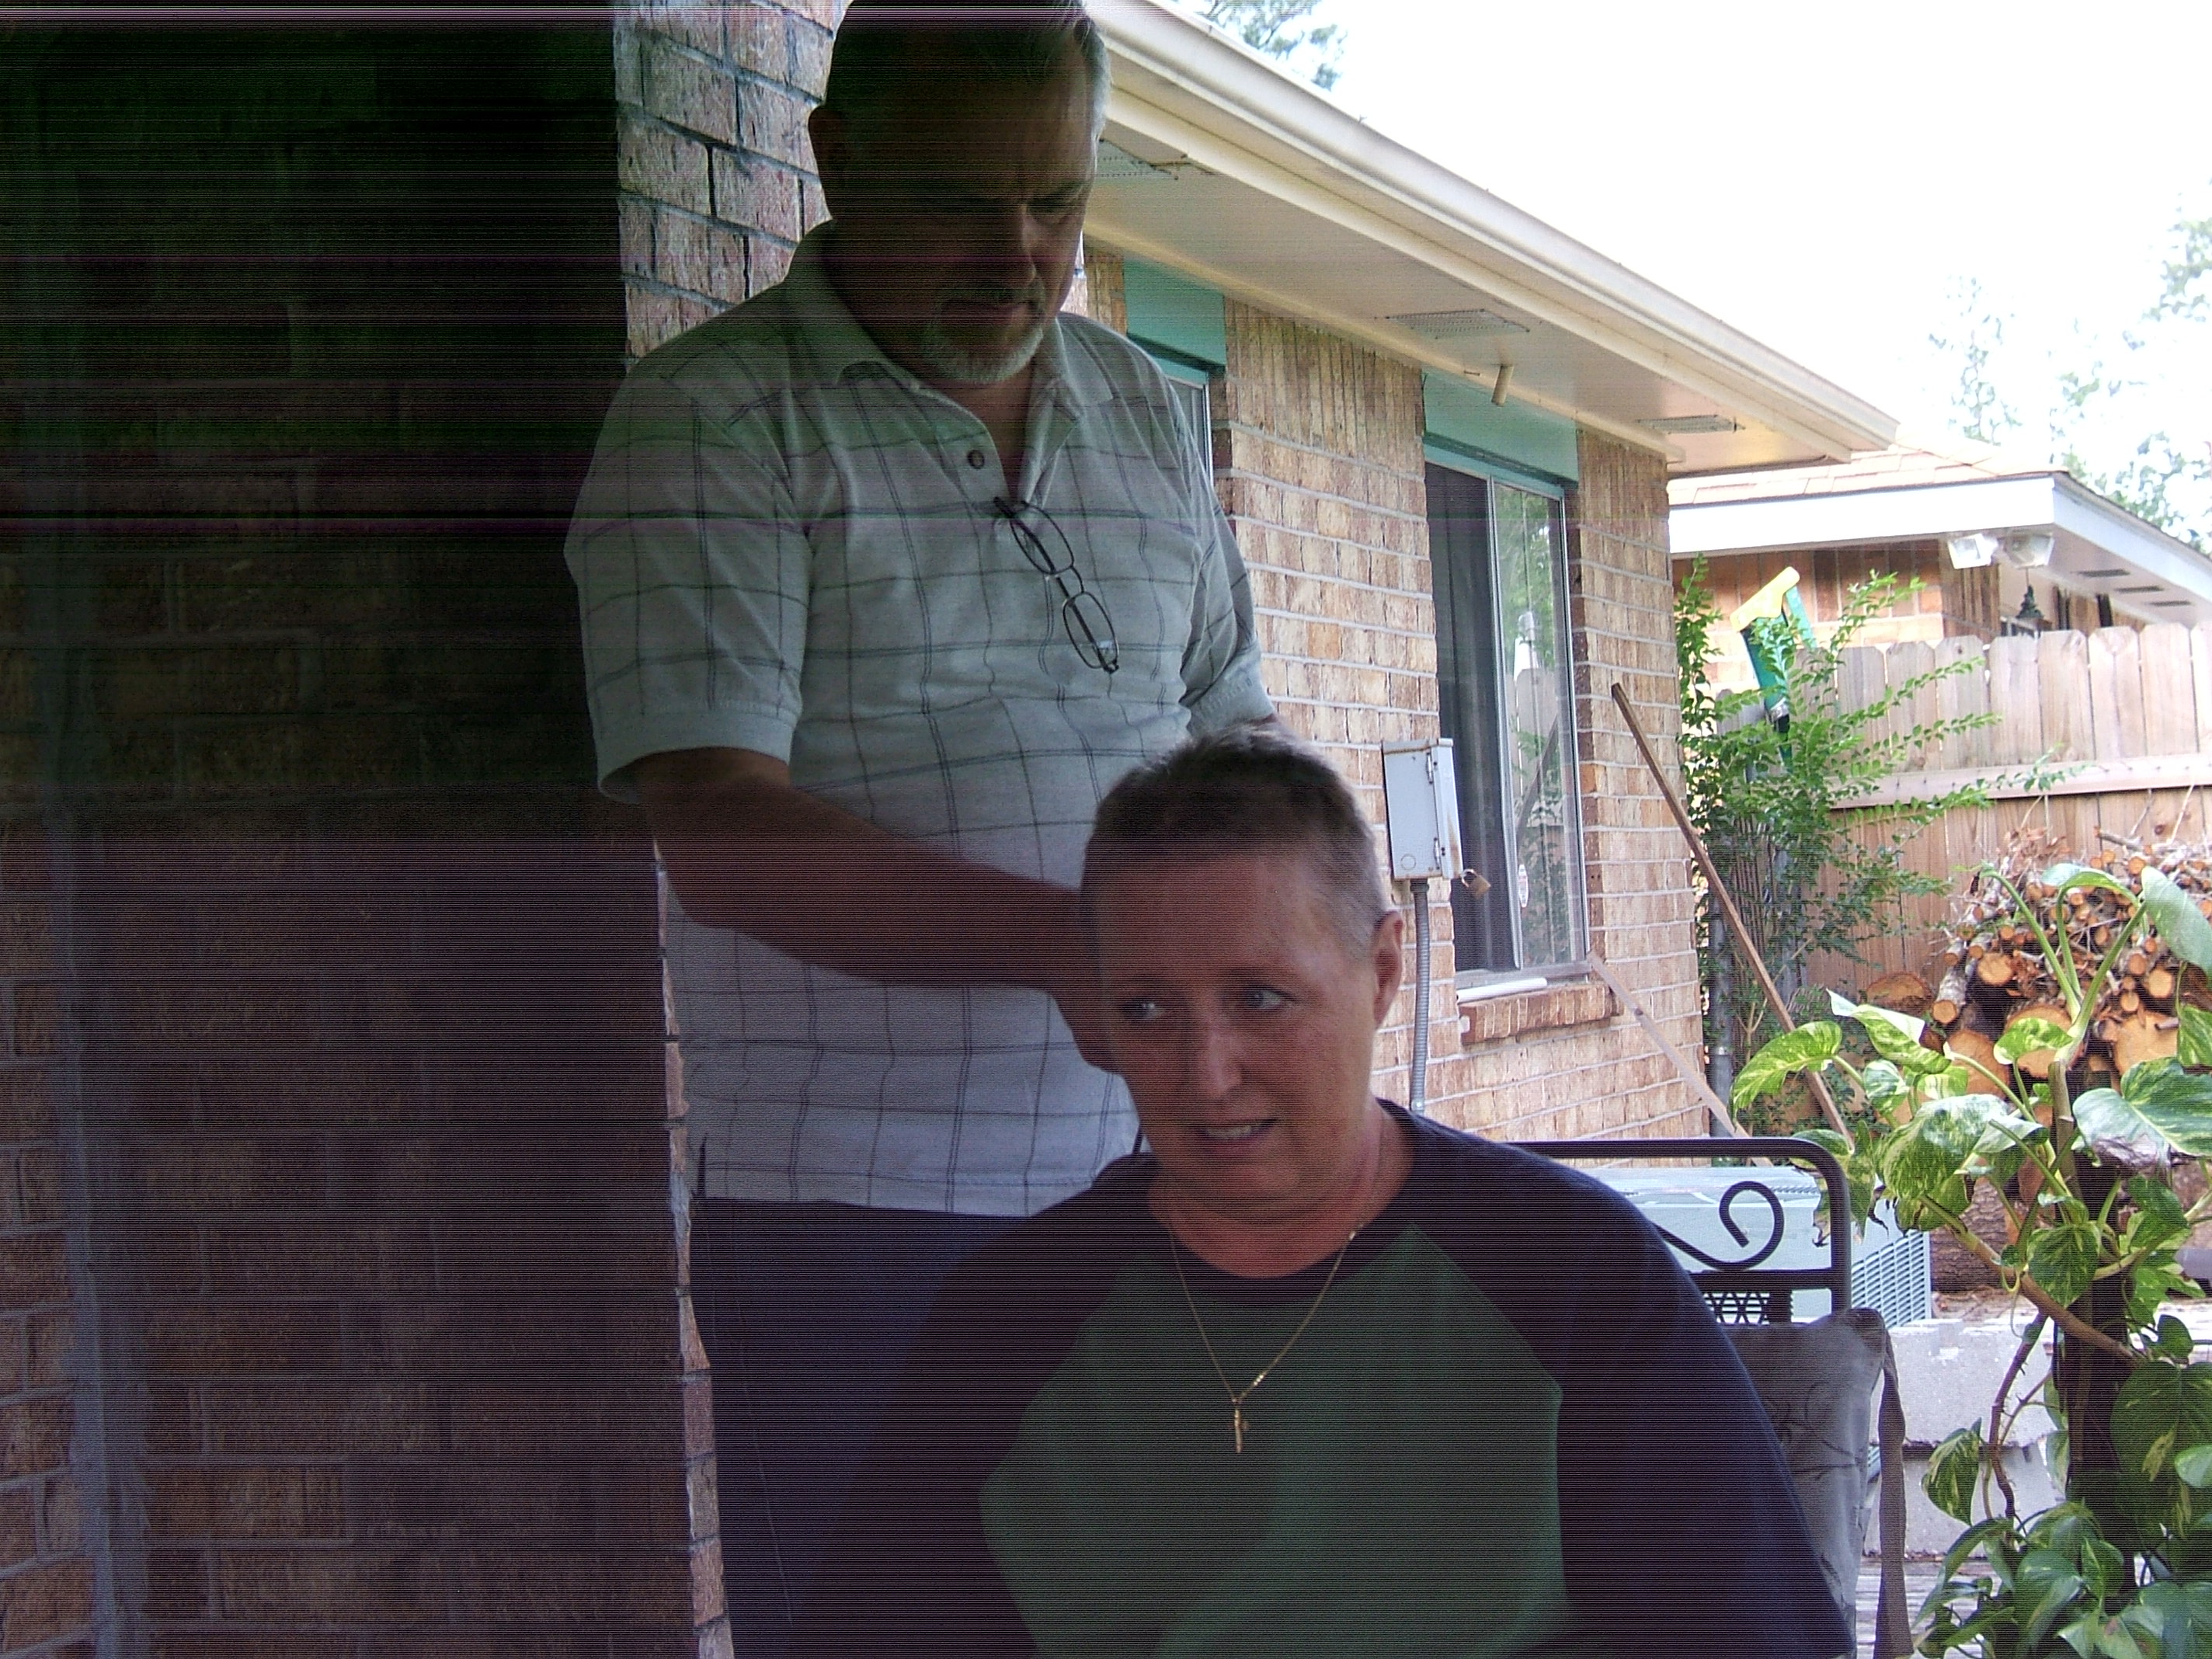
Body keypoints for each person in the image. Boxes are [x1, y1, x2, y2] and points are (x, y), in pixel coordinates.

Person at [562, 2, 1272, 1650]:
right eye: (960, 201)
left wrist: (1292, 919)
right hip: (859, 1235)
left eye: (1056, 199)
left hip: (1164, 1187)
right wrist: (1065, 946)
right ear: (837, 162)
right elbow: (714, 828)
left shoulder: (1143, 407)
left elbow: (1232, 729)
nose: (1018, 252)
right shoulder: (712, 421)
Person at [796, 729, 1853, 1658]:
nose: (1206, 1073)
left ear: (1384, 972)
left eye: (1260, 999)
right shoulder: (1008, 1324)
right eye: (1147, 1008)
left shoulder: (1569, 1278)